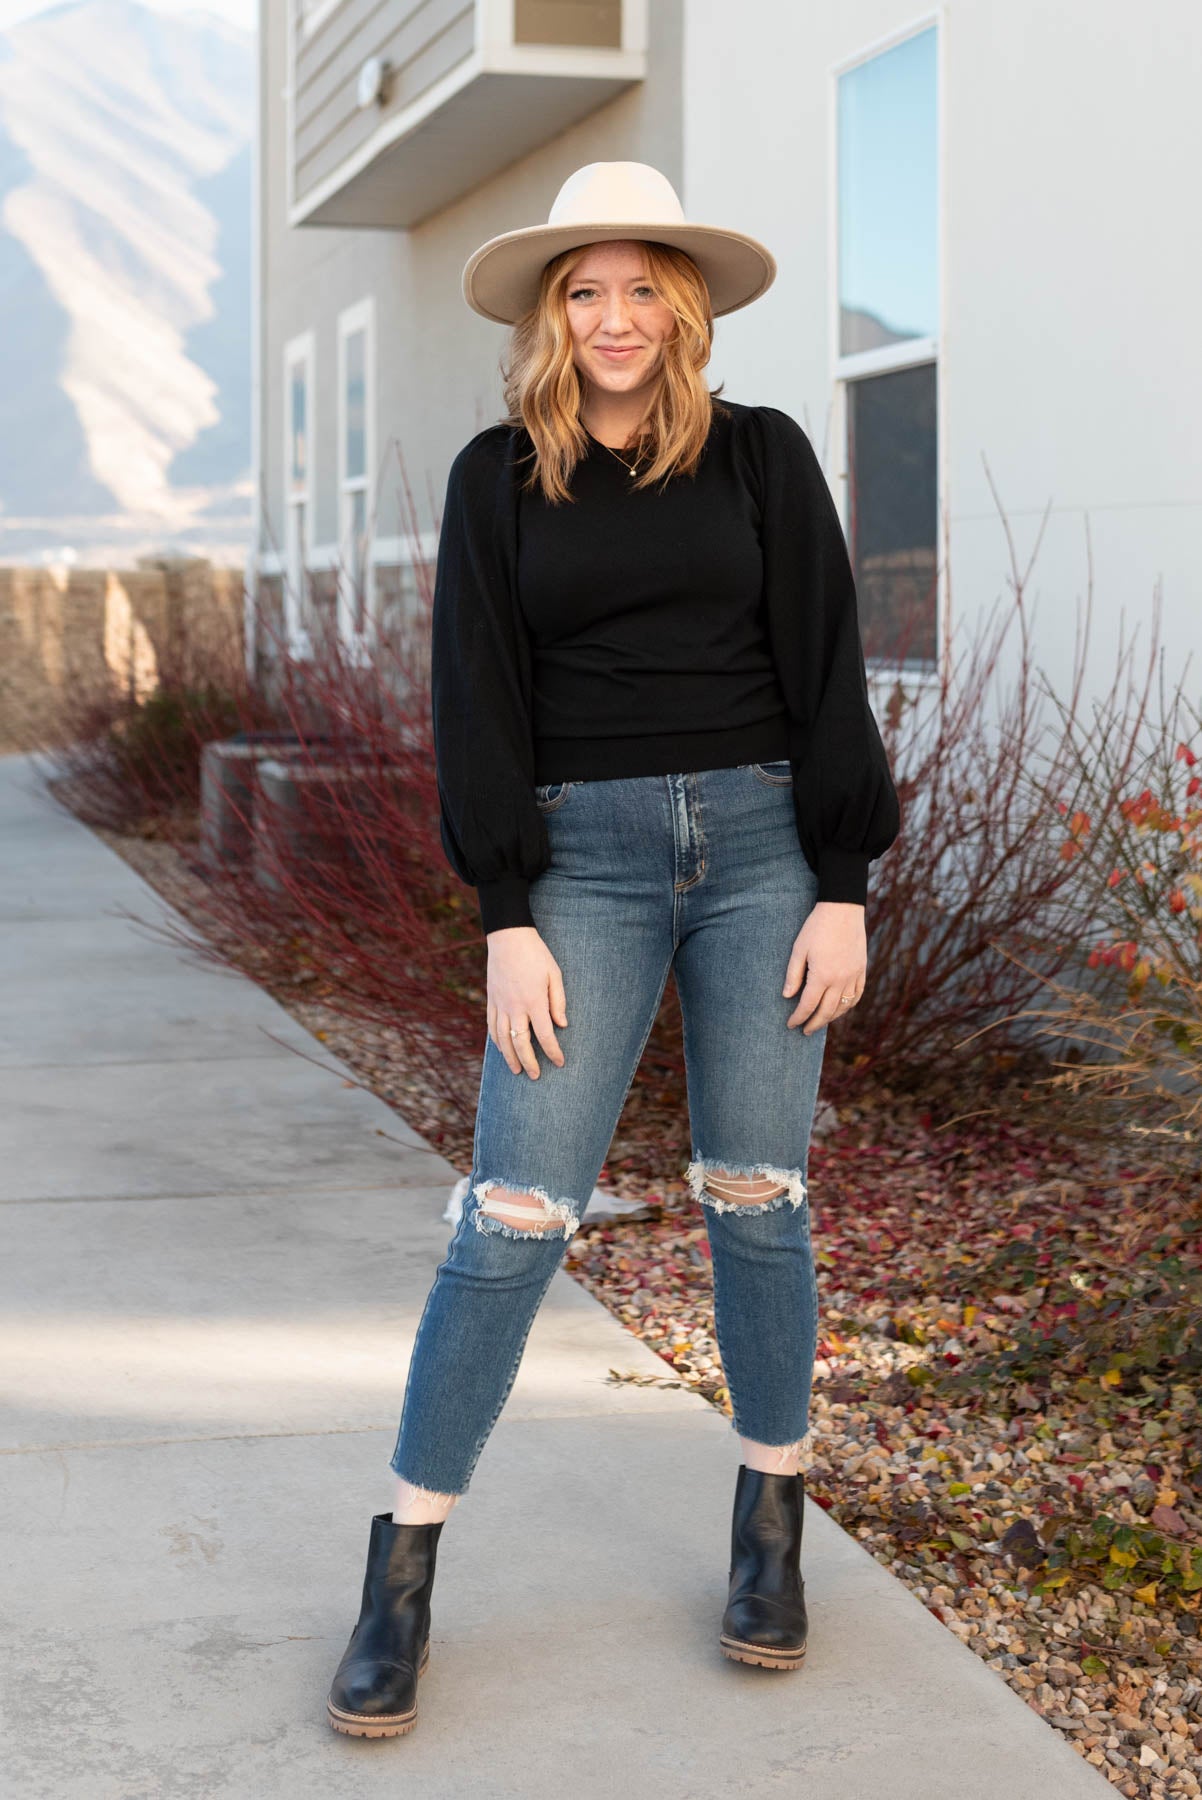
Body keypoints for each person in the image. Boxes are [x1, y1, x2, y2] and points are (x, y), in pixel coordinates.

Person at [326, 161, 901, 1738]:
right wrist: (505, 914)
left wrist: (840, 877)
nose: (616, 316)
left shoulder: (763, 459)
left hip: (767, 849)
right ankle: (401, 1572)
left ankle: (769, 1528)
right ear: (548, 315)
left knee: (755, 1194)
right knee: (514, 1209)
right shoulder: (496, 477)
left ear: (685, 307)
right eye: (586, 289)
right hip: (577, 855)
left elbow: (827, 663)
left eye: (643, 286)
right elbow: (475, 698)